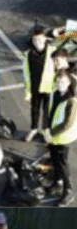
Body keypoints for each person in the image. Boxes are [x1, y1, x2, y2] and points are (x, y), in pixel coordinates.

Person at [47, 70, 77, 205]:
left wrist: (50, 133)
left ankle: (69, 190)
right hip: (53, 137)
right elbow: (51, 113)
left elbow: (67, 124)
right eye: (58, 81)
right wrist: (47, 130)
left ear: (69, 82)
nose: (60, 84)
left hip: (64, 138)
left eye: (63, 82)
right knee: (54, 161)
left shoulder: (72, 100)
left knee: (63, 165)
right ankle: (57, 183)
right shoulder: (55, 94)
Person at [23, 27, 56, 142]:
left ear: (45, 39)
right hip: (35, 87)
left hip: (48, 87)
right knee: (34, 109)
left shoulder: (52, 51)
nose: (38, 42)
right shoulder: (28, 55)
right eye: (35, 40)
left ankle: (46, 130)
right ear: (32, 41)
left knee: (47, 110)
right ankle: (34, 128)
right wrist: (28, 90)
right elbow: (26, 73)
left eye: (40, 39)